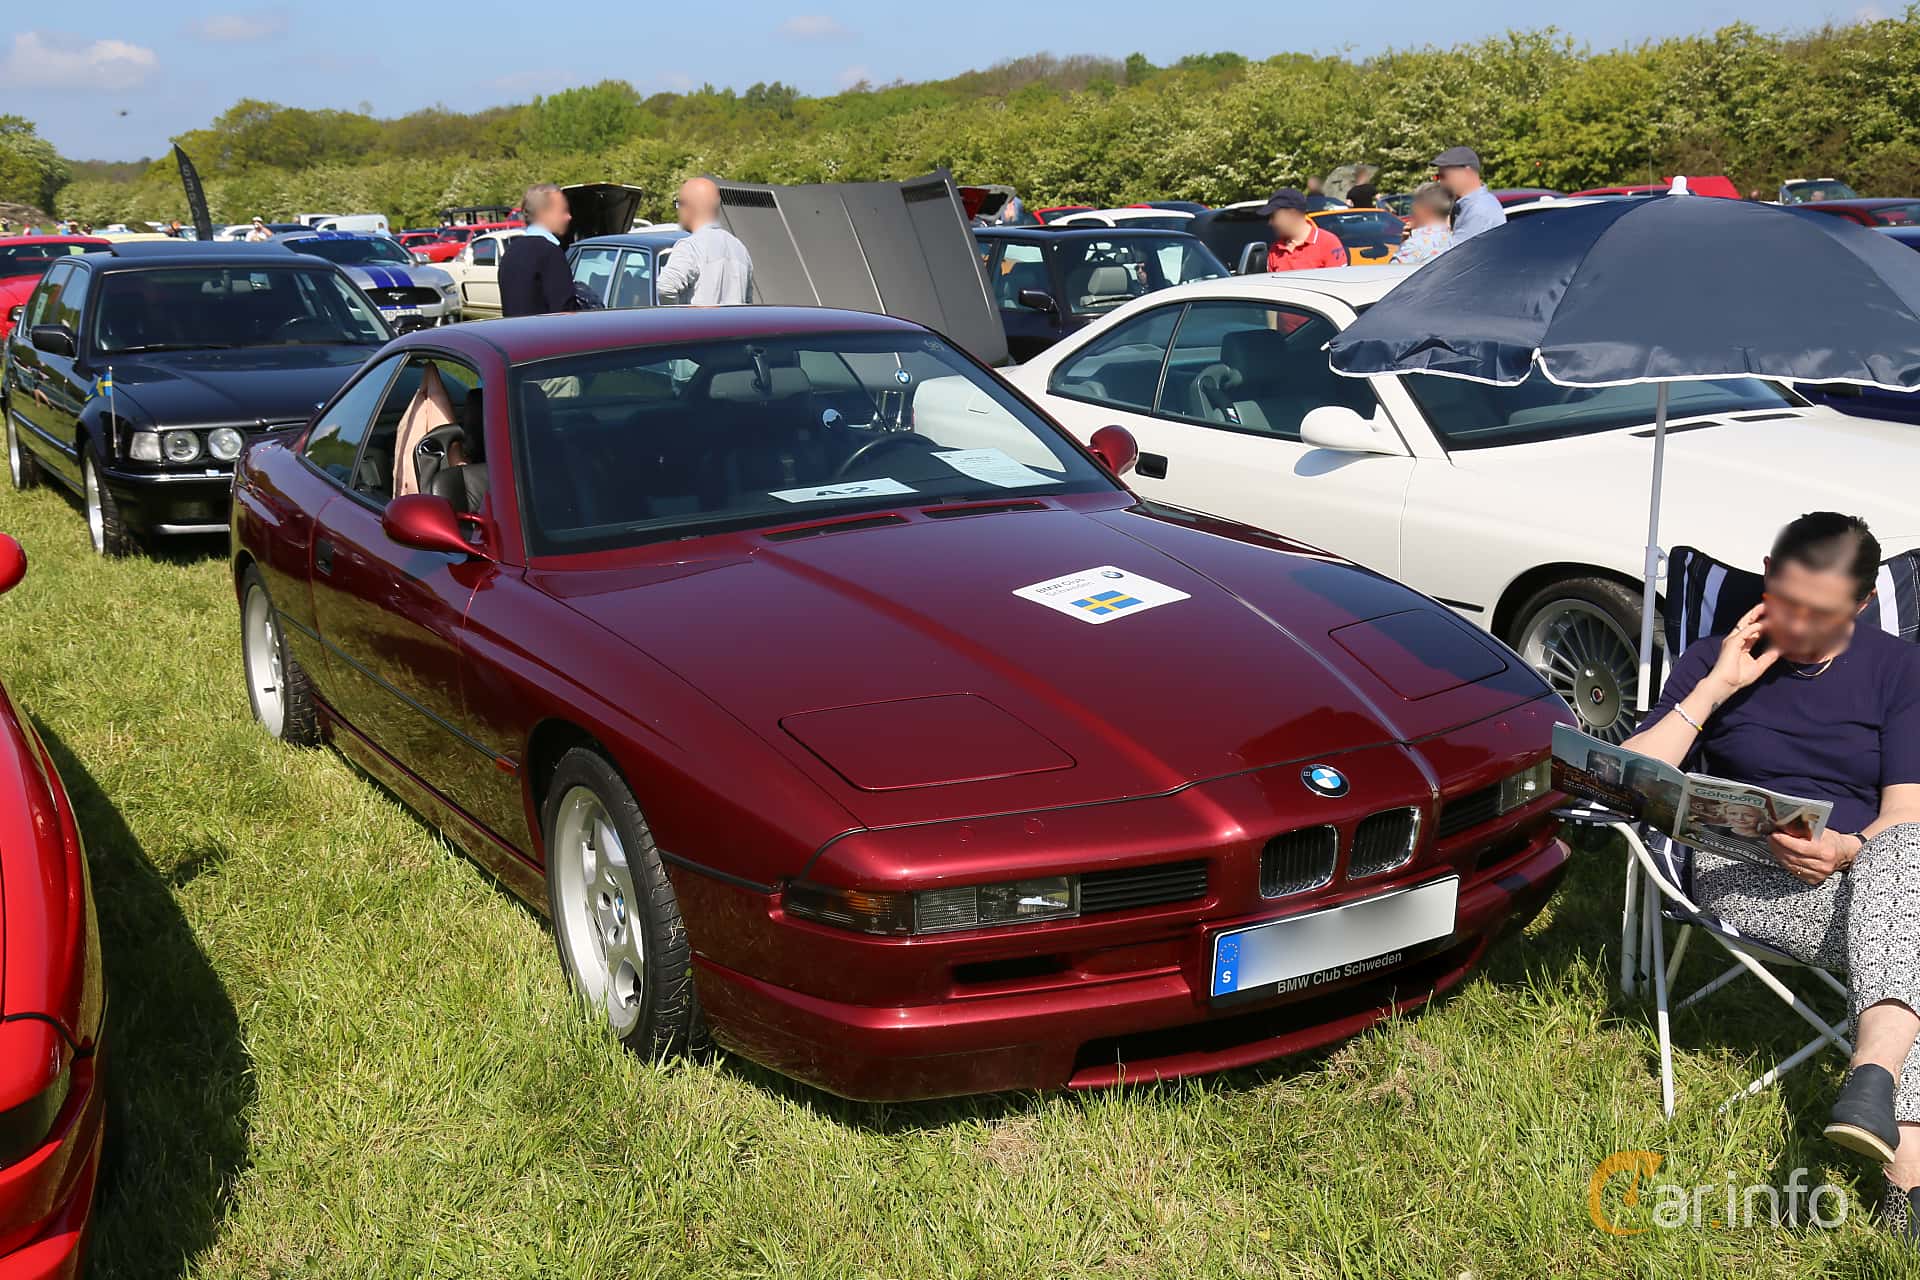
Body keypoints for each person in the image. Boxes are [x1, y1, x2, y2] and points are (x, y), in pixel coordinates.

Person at [1622, 512, 1920, 1240]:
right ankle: (1902, 1164)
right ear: (1764, 573)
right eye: (1783, 600)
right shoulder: (1713, 657)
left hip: (1868, 862)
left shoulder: (1900, 669)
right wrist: (1716, 687)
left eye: (1819, 614)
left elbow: (1906, 808)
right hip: (1742, 869)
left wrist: (1848, 850)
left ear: (1859, 606)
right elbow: (1626, 780)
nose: (1795, 624)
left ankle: (1877, 1095)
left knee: (1904, 855)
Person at [655, 177, 754, 306]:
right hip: (735, 326)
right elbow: (748, 303)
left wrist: (676, 318)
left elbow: (666, 287)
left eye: (678, 203)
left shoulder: (690, 246)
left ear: (690, 206)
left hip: (697, 325)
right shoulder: (740, 248)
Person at [498, 183, 577, 318]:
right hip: (546, 337)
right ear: (544, 213)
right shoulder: (550, 253)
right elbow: (565, 313)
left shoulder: (510, 252)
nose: (569, 217)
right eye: (563, 211)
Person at [1261, 187, 1346, 273]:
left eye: (1273, 216)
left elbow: (1338, 283)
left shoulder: (1328, 242)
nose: (1270, 222)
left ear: (1291, 214)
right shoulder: (1275, 249)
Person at [1432, 146, 1506, 243]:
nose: (1440, 182)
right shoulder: (1467, 205)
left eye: (1443, 176)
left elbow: (1453, 254)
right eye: (1437, 177)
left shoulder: (1479, 210)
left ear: (1467, 172)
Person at [1395, 182, 1455, 265]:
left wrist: (1403, 245)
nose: (1411, 212)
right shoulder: (1452, 240)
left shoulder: (1414, 245)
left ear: (1423, 210)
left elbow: (1387, 275)